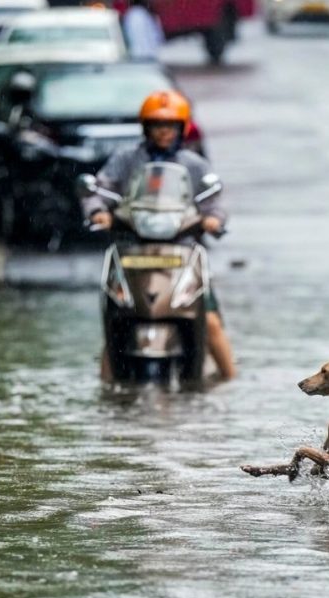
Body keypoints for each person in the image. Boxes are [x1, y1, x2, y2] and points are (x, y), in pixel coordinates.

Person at [84, 90, 237, 381]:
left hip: (182, 249)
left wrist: (213, 219)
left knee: (212, 323)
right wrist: (97, 212)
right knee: (118, 321)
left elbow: (215, 199)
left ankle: (231, 384)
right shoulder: (125, 159)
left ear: (181, 129)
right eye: (157, 125)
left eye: (170, 126)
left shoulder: (194, 164)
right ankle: (106, 389)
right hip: (134, 247)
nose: (164, 132)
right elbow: (99, 190)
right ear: (146, 128)